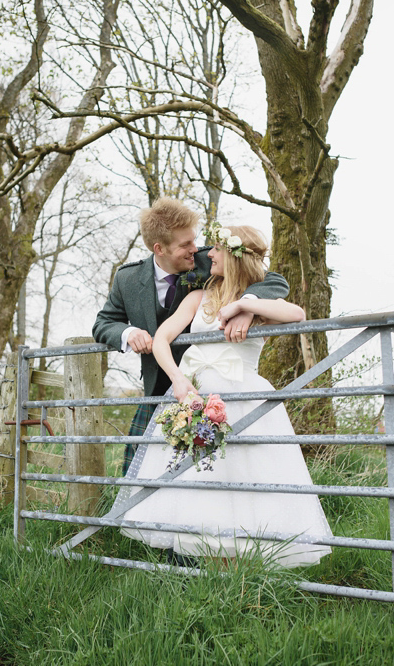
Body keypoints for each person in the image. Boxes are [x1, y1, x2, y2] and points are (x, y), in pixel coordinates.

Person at [115, 224, 332, 566]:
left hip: (244, 395)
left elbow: (298, 315)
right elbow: (161, 339)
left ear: (232, 256)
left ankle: (241, 565)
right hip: (197, 392)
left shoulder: (257, 302)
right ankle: (198, 560)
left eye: (216, 249)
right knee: (195, 474)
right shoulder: (198, 297)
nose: (208, 254)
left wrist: (242, 306)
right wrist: (178, 379)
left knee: (246, 476)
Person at [92, 197, 288, 474]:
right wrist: (128, 331)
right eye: (185, 245)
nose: (195, 249)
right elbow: (104, 322)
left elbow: (273, 279)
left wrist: (247, 302)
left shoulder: (209, 260)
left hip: (216, 381)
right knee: (142, 464)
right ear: (158, 248)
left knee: (227, 460)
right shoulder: (128, 279)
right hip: (162, 382)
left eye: (194, 241)